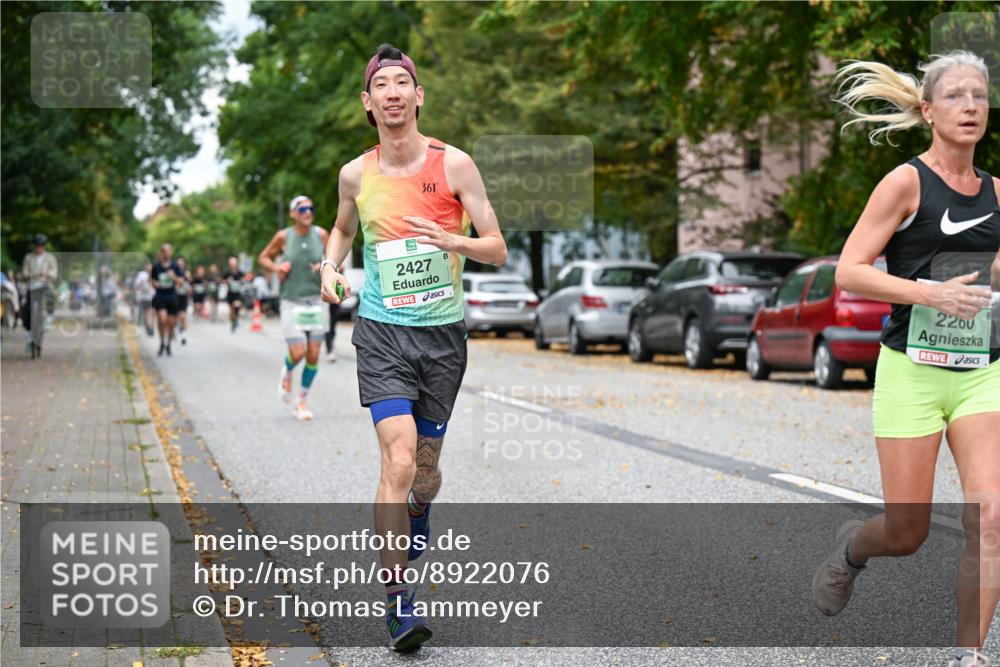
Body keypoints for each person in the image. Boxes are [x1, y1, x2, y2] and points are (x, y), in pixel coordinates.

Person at [811, 51, 999, 667]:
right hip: (912, 371)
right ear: (928, 110)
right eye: (955, 96)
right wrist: (929, 292)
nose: (970, 105)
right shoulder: (905, 182)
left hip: (983, 373)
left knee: (991, 517)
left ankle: (968, 657)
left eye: (980, 95)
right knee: (907, 532)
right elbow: (850, 270)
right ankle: (852, 552)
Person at [320, 44, 507, 650]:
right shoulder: (356, 173)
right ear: (367, 102)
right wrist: (330, 266)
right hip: (382, 332)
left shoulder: (455, 166)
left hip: (443, 337)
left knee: (424, 474)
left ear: (419, 96)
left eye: (405, 82)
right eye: (384, 85)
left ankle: (419, 514)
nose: (394, 93)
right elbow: (345, 226)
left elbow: (497, 247)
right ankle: (399, 605)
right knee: (397, 462)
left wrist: (451, 241)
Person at [258, 196, 331, 421]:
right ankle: (288, 369)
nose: (307, 212)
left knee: (314, 354)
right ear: (293, 213)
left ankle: (302, 402)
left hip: (317, 300)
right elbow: (263, 257)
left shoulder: (321, 234)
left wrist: (326, 266)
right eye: (302, 209)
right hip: (292, 301)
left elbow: (338, 261)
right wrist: (277, 266)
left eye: (310, 208)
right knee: (298, 352)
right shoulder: (283, 237)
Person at [21, 233, 58, 358]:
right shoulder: (28, 257)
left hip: (45, 287)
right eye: (37, 245)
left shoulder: (50, 258)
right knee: (27, 310)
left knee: (51, 298)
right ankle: (29, 331)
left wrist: (47, 274)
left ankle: (49, 318)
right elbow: (24, 273)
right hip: (32, 287)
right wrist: (35, 274)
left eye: (41, 245)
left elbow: (54, 273)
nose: (39, 248)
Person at [151, 243, 181, 356]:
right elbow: (152, 281)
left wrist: (173, 277)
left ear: (171, 252)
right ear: (161, 253)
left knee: (171, 323)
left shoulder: (175, 266)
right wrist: (155, 284)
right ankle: (162, 342)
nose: (166, 253)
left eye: (168, 251)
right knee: (162, 319)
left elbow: (181, 282)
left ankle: (168, 344)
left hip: (172, 296)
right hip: (160, 296)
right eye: (164, 251)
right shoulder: (156, 267)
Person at [222, 257, 244, 333]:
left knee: (237, 306)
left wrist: (242, 281)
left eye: (234, 264)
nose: (233, 265)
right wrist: (227, 281)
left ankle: (236, 320)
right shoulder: (227, 272)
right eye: (231, 264)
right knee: (232, 310)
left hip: (238, 293)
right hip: (230, 293)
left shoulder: (240, 272)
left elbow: (244, 280)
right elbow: (222, 281)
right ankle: (233, 323)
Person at [175, 256, 190, 345]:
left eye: (181, 264)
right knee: (175, 317)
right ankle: (176, 330)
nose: (180, 265)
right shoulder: (173, 274)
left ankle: (184, 335)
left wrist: (187, 288)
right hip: (174, 297)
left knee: (183, 316)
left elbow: (189, 287)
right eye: (178, 264)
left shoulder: (186, 275)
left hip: (183, 297)